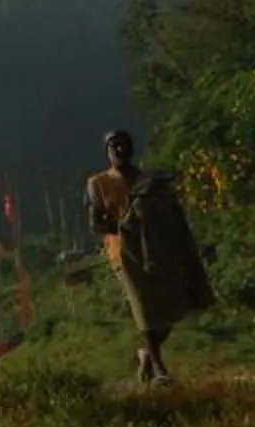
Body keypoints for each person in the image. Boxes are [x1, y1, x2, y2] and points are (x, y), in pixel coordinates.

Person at [84, 128, 215, 385]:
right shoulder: (97, 183)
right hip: (123, 254)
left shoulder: (148, 180)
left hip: (157, 251)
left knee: (172, 306)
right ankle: (159, 368)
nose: (119, 150)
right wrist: (127, 227)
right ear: (107, 152)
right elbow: (97, 224)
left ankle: (147, 353)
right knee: (143, 308)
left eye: (123, 145)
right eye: (114, 146)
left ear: (132, 148)